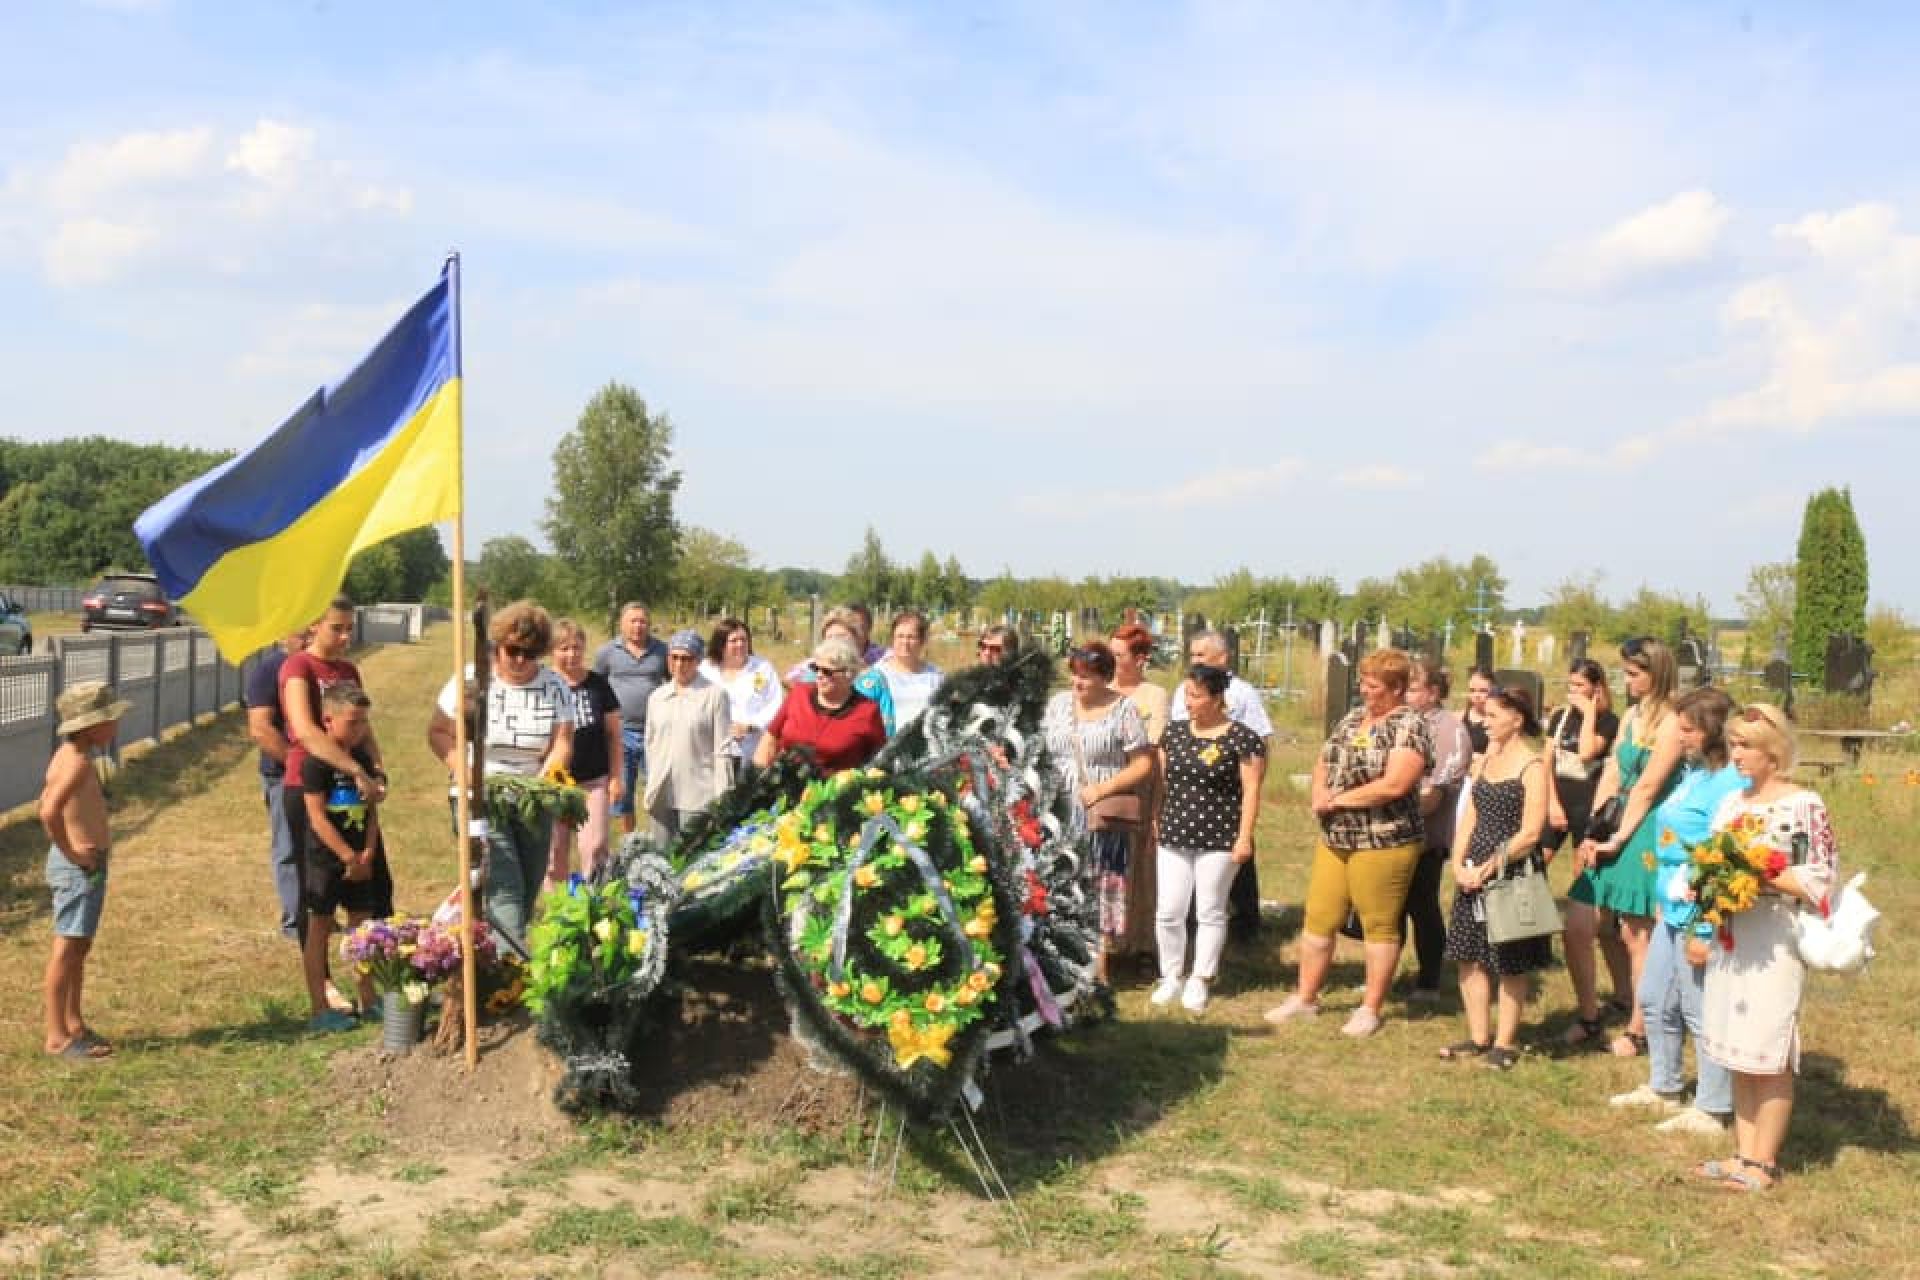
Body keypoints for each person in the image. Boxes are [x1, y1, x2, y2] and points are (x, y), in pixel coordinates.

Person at [1693, 704, 1837, 1192]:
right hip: (1733, 934)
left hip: (1775, 936)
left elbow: (1819, 878)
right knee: (1738, 1049)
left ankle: (1764, 1162)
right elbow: (1711, 868)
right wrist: (1706, 908)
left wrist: (1759, 871)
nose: (1736, 754)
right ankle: (1743, 1152)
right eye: (1733, 744)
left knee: (1767, 1048)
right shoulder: (1731, 804)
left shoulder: (1802, 805)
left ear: (1773, 752)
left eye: (1746, 746)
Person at [1266, 648, 1432, 1037]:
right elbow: (1325, 760)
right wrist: (1319, 793)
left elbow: (1396, 784)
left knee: (1379, 922)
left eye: (1373, 685)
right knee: (1319, 916)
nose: (1365, 690)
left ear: (1397, 688)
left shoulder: (1409, 725)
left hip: (1384, 839)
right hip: (1336, 837)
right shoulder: (1354, 718)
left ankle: (1370, 1008)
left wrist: (1339, 800)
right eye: (1363, 683)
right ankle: (1305, 998)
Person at [1610, 687, 1743, 1132]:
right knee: (1654, 997)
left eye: (1688, 730)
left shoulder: (1731, 784)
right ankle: (1664, 1086)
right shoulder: (1695, 772)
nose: (1679, 737)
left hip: (1699, 911)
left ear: (1712, 730)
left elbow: (1724, 858)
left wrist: (1704, 928)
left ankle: (1713, 1106)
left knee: (1700, 1008)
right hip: (1671, 905)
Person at [429, 600, 574, 949]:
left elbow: (563, 742)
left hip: (533, 798)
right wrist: (466, 773)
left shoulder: (555, 686)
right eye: (513, 651)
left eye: (530, 653)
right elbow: (438, 732)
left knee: (529, 884)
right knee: (504, 885)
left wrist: (545, 781)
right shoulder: (471, 680)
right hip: (480, 797)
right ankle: (512, 964)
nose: (521, 660)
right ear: (497, 646)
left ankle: (497, 959)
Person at [1569, 637, 1684, 1057]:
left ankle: (1641, 1026)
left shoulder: (1672, 721)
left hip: (1646, 827)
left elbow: (1649, 786)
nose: (1626, 680)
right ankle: (1590, 1015)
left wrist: (1618, 839)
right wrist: (1593, 830)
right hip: (1615, 819)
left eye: (1634, 673)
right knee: (1578, 924)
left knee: (1637, 933)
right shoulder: (1632, 715)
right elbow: (1613, 772)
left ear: (1657, 673)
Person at [1436, 686, 1551, 1071]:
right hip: (1473, 867)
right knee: (1469, 955)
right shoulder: (1487, 759)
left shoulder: (1532, 765)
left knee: (1509, 962)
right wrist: (1459, 863)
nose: (1484, 722)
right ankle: (1478, 1036)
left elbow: (1531, 832)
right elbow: (1469, 816)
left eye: (1492, 715)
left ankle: (1504, 1043)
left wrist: (1489, 867)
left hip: (1513, 872)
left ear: (1517, 719)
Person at [279, 597, 383, 1014]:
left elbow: (365, 728)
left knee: (368, 897)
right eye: (336, 628)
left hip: (355, 796)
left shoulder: (348, 671)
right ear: (314, 625)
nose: (344, 636)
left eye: (349, 628)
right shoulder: (298, 667)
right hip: (311, 787)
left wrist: (376, 772)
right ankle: (322, 994)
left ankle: (369, 991)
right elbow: (306, 730)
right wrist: (355, 771)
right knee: (319, 900)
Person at [1150, 664, 1264, 1015]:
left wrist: (1244, 837)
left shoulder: (1243, 738)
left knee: (1210, 910)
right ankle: (1171, 975)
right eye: (1186, 694)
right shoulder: (1173, 733)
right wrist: (1155, 817)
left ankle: (1200, 977)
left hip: (1220, 837)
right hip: (1174, 833)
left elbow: (1251, 790)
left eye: (1196, 696)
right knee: (1169, 910)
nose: (1189, 702)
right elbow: (1161, 781)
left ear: (1217, 699)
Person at [1043, 644, 1154, 985]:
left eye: (1086, 676)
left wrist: (1102, 790)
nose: (1077, 681)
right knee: (1061, 882)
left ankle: (1100, 967)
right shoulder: (1057, 705)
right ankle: (1062, 963)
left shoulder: (1124, 710)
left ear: (1105, 677)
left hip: (1102, 814)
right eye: (1074, 674)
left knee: (1104, 887)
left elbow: (1143, 764)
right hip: (1058, 813)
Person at [39, 681, 130, 1060]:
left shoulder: (70, 755)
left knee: (79, 946)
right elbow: (48, 811)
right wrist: (73, 853)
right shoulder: (76, 763)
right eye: (111, 720)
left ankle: (74, 1022)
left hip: (87, 865)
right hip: (79, 867)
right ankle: (56, 1036)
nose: (116, 726)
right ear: (91, 726)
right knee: (67, 949)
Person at [299, 683, 394, 1030]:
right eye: (353, 722)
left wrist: (367, 852)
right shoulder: (315, 764)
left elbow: (371, 812)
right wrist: (346, 857)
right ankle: (319, 1008)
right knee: (320, 927)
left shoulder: (362, 762)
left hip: (361, 857)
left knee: (362, 927)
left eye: (364, 722)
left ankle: (368, 998)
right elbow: (317, 817)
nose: (360, 730)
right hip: (327, 859)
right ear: (328, 720)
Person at [1171, 629, 1273, 940]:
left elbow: (1260, 740)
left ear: (1223, 657)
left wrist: (1251, 785)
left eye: (1201, 654)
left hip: (1227, 789)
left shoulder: (1242, 693)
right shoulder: (1183, 690)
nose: (1195, 660)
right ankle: (1189, 920)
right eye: (1192, 654)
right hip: (1190, 788)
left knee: (1237, 859)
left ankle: (1245, 920)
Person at [1402, 661, 1471, 1001]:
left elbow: (1436, 791)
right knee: (1390, 906)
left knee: (1422, 904)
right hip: (1393, 832)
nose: (1406, 695)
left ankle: (1429, 981)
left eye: (1413, 689)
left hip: (1427, 836)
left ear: (1433, 693)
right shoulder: (1404, 722)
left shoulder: (1449, 730)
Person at [245, 626, 311, 944]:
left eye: (312, 633)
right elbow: (260, 728)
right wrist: (295, 766)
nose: (308, 641)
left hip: (319, 773)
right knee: (288, 847)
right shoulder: (269, 670)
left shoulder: (315, 668)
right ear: (284, 635)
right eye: (302, 634)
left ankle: (319, 912)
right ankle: (295, 921)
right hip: (283, 775)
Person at [1110, 623, 1170, 963]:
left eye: (1119, 655)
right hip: (1106, 788)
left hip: (1142, 789)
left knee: (1144, 866)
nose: (1112, 661)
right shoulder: (1101, 690)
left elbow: (1154, 746)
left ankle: (1144, 945)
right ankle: (1111, 943)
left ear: (1140, 659)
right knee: (1112, 866)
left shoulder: (1153, 695)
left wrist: (1159, 804)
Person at [548, 618, 624, 883]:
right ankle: (557, 904)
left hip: (593, 780)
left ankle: (594, 900)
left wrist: (616, 777)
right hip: (553, 783)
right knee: (553, 853)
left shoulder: (598, 685)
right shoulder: (544, 685)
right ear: (552, 651)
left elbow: (614, 735)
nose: (571, 654)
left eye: (576, 648)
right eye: (564, 648)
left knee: (596, 846)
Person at [644, 631, 734, 843]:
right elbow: (650, 743)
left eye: (686, 659)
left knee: (692, 857)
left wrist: (722, 796)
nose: (679, 664)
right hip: (661, 794)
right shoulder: (657, 697)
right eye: (674, 657)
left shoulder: (715, 695)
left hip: (698, 795)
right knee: (660, 856)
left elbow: (723, 748)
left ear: (698, 661)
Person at [755, 635, 888, 775]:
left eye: (827, 671)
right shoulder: (799, 694)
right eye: (815, 668)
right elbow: (769, 740)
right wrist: (756, 778)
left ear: (849, 674)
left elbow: (879, 763)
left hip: (835, 787)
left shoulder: (868, 711)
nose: (819, 675)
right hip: (784, 782)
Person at [593, 602, 668, 835]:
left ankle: (658, 837)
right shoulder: (607, 652)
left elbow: (674, 681)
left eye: (642, 621)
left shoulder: (662, 651)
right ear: (622, 624)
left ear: (649, 624)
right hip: (620, 732)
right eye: (633, 621)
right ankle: (630, 840)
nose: (638, 626)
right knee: (623, 790)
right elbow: (598, 688)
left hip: (655, 731)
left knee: (657, 788)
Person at [1542, 659, 1620, 864]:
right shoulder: (1560, 716)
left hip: (1587, 802)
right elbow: (1546, 761)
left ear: (1596, 687)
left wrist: (1589, 714)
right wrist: (1553, 804)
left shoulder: (1608, 721)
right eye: (1571, 684)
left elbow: (1587, 753)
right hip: (1558, 795)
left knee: (1581, 868)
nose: (1573, 690)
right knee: (1538, 861)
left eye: (1580, 685)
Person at [699, 617, 785, 771]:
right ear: (721, 644)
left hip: (753, 747)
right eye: (734, 640)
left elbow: (775, 704)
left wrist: (750, 726)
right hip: (712, 747)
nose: (740, 644)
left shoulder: (763, 668)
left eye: (744, 640)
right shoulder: (706, 670)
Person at [870, 610, 944, 735]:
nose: (905, 642)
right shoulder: (876, 675)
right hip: (888, 743)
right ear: (892, 639)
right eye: (900, 636)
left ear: (922, 640)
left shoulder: (937, 676)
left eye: (911, 637)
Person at [1462, 665, 1495, 759]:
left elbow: (1492, 758)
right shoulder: (1458, 718)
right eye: (1472, 691)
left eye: (1483, 691)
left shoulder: (1495, 723)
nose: (1477, 695)